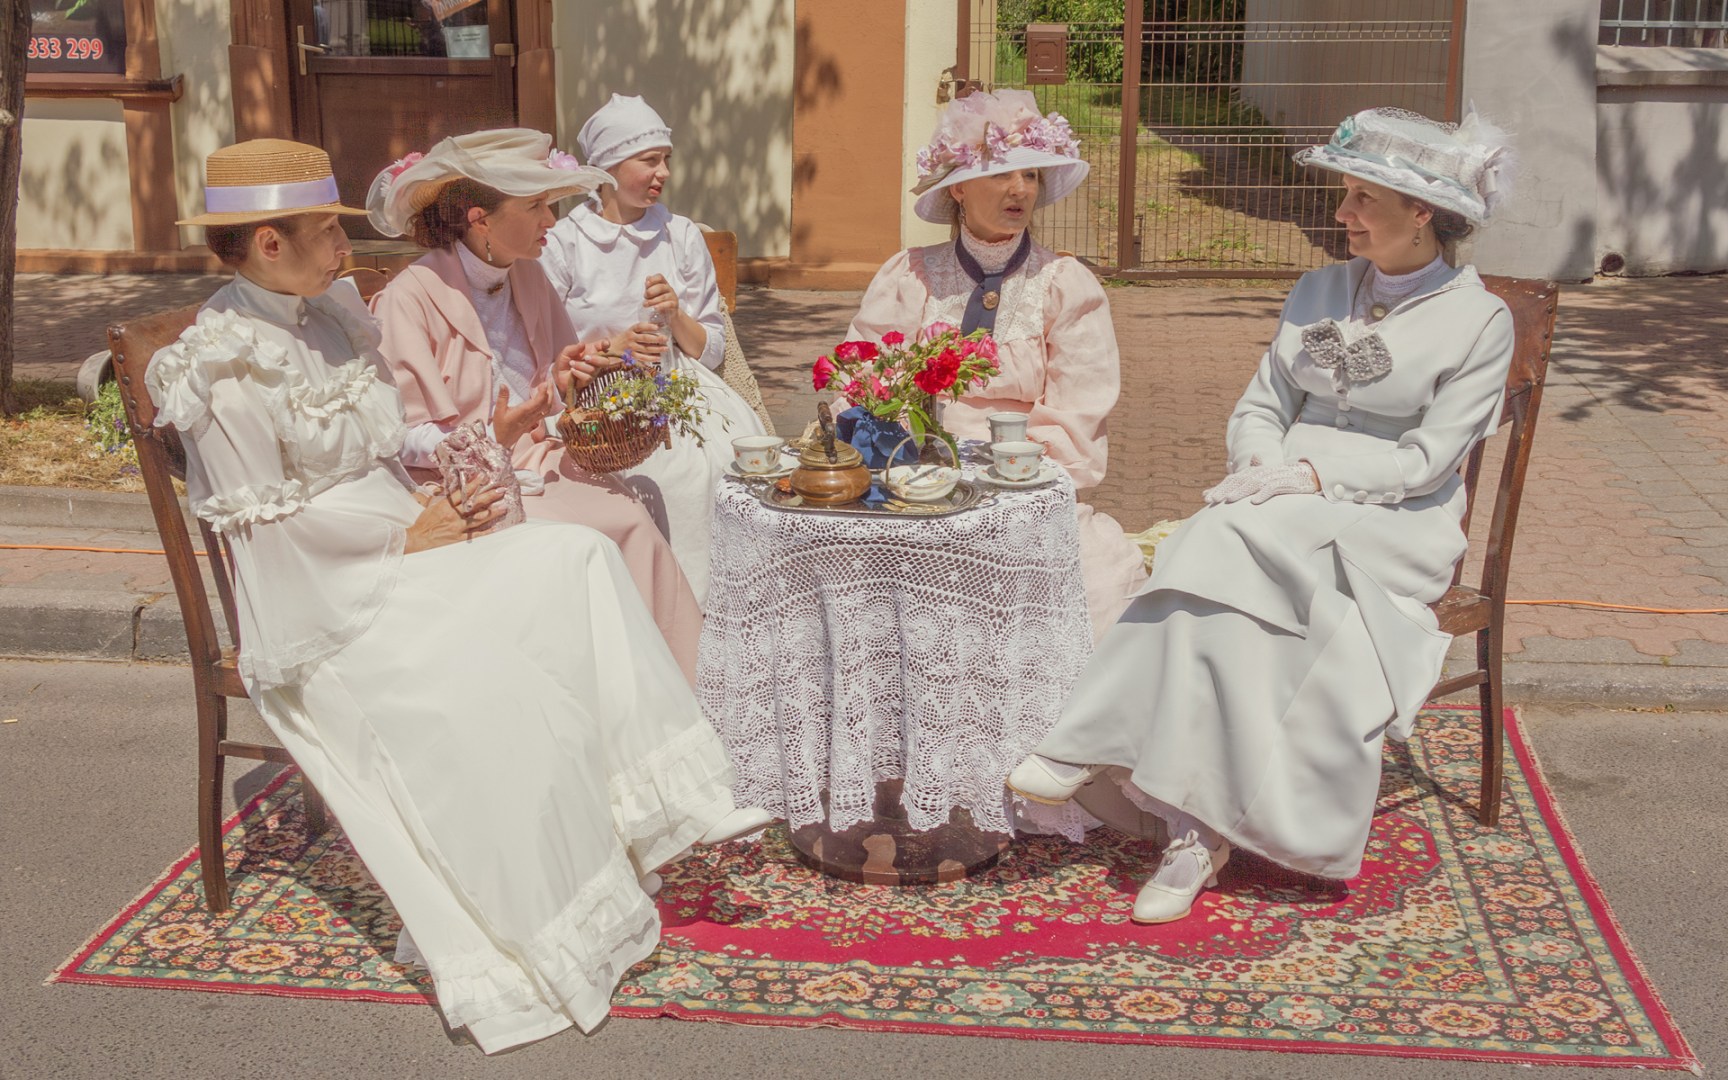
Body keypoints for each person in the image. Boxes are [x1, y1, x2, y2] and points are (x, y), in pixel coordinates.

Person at [149, 139, 772, 1052]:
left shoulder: (328, 313)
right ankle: (547, 904)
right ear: (268, 245)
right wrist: (409, 533)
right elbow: (269, 531)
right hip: (326, 594)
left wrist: (455, 470)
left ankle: (660, 810)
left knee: (576, 560)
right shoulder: (221, 361)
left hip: (401, 533)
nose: (344, 245)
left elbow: (390, 440)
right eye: (326, 230)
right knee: (500, 652)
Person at [1007, 108, 1518, 924]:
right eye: (1345, 195)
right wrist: (1259, 466)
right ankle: (1195, 833)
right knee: (1235, 568)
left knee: (1223, 533)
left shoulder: (1482, 320)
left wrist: (1307, 474)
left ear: (1422, 212)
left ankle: (1085, 743)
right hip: (1277, 505)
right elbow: (1260, 406)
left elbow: (1428, 461)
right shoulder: (1317, 288)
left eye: (1360, 199)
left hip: (1397, 519)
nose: (1341, 214)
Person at [365, 128, 704, 680]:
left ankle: (666, 688)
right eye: (536, 205)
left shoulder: (527, 275)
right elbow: (398, 433)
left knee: (636, 510)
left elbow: (549, 386)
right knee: (604, 533)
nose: (551, 220)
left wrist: (569, 375)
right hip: (464, 484)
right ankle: (613, 691)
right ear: (481, 220)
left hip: (538, 460)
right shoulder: (412, 295)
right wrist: (491, 436)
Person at [845, 89, 1147, 639]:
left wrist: (1006, 476)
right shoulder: (909, 275)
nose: (1020, 190)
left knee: (1092, 587)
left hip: (1023, 488)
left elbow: (1079, 413)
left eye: (1031, 175)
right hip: (912, 478)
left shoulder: (1064, 285)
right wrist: (905, 465)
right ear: (957, 187)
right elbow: (866, 383)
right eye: (1001, 174)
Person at [541, 93, 768, 606]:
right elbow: (548, 352)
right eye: (649, 160)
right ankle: (666, 608)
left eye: (666, 159)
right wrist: (614, 349)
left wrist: (675, 316)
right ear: (611, 167)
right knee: (670, 479)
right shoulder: (565, 243)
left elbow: (711, 351)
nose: (663, 172)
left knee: (729, 465)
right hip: (601, 399)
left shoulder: (681, 234)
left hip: (681, 386)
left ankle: (729, 608)